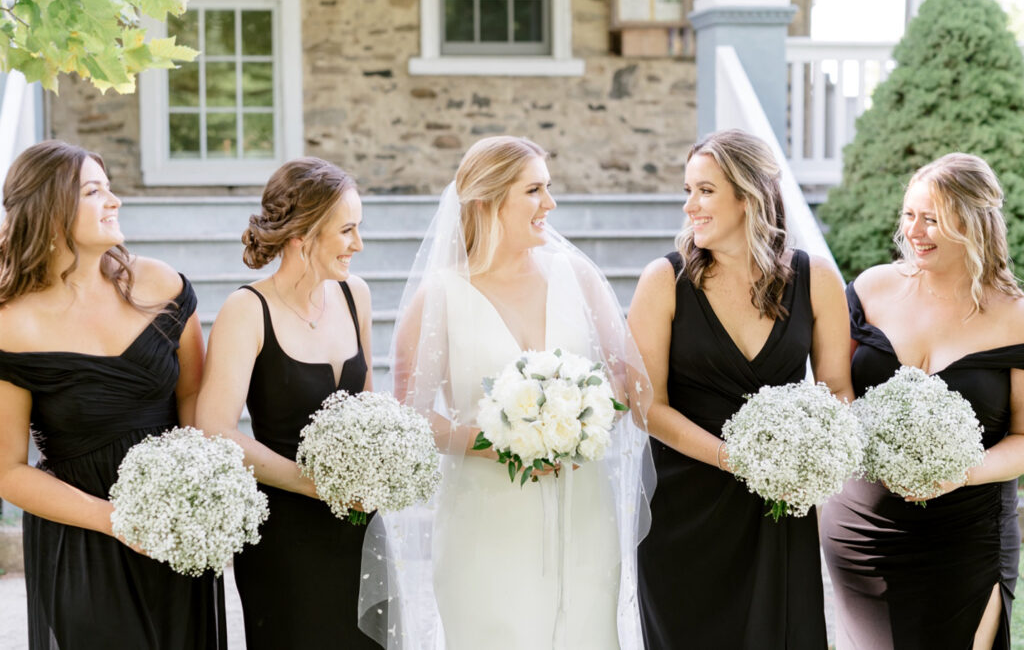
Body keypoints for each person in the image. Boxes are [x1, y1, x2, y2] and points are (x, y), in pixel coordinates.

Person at [364, 136, 654, 650]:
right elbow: (412, 418)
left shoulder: (578, 276)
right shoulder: (439, 297)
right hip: (485, 520)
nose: (551, 204)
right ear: (488, 200)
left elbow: (624, 381)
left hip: (583, 513)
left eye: (549, 188)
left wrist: (579, 418)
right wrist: (499, 441)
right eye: (535, 190)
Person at [628, 128, 853, 649]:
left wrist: (812, 455)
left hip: (777, 510)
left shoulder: (815, 279)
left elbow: (838, 389)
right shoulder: (664, 281)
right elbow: (647, 406)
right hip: (683, 509)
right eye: (688, 190)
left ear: (748, 195)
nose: (690, 206)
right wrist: (740, 459)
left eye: (704, 190)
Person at [0, 140, 225, 648]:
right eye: (94, 191)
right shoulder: (10, 325)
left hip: (176, 529)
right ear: (51, 209)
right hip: (82, 538)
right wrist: (116, 520)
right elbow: (7, 470)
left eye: (109, 188)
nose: (114, 200)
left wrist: (200, 495)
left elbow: (193, 398)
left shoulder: (161, 285)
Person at [820, 153, 1024, 650]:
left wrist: (962, 470)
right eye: (909, 215)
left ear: (973, 224)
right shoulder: (870, 289)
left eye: (932, 219)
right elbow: (834, 390)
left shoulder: (1015, 316)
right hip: (861, 536)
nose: (915, 230)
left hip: (966, 538)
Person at [195, 157, 374, 648]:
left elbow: (370, 406)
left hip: (360, 526)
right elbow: (214, 429)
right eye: (348, 230)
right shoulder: (246, 310)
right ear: (303, 236)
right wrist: (316, 485)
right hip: (285, 534)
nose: (358, 244)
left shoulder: (356, 295)